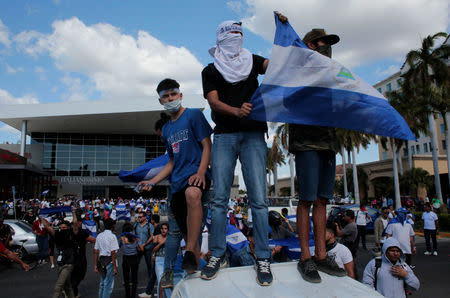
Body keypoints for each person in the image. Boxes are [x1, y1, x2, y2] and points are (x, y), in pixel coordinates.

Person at [200, 16, 281, 286]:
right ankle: (217, 254)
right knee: (220, 200)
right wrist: (236, 110)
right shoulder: (210, 70)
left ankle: (263, 258)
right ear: (221, 37)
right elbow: (213, 102)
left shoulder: (252, 60)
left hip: (254, 135)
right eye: (231, 32)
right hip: (223, 136)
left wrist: (284, 37)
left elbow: (276, 66)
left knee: (259, 200)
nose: (237, 36)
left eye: (240, 32)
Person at [288, 27, 347, 283]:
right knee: (306, 200)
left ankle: (322, 255)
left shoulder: (334, 71)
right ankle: (305, 258)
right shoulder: (295, 71)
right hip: (306, 143)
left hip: (328, 142)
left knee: (323, 200)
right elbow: (288, 101)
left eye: (328, 43)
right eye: (321, 42)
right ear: (310, 45)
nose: (326, 46)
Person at [139, 79, 212, 280]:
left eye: (173, 94)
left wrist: (201, 171)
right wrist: (153, 181)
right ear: (161, 100)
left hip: (196, 178)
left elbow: (207, 144)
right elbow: (171, 161)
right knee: (189, 237)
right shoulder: (167, 130)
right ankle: (193, 273)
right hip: (177, 184)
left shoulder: (194, 115)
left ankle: (188, 249)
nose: (170, 98)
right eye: (165, 96)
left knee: (193, 193)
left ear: (180, 95)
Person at [44, 207, 78, 298]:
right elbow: (47, 227)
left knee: (58, 285)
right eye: (60, 227)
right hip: (60, 263)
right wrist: (41, 215)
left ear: (68, 227)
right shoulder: (57, 234)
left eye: (64, 227)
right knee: (67, 286)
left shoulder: (71, 233)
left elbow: (75, 223)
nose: (62, 229)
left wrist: (73, 212)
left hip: (68, 264)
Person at [71, 215, 96, 297]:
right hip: (79, 257)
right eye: (80, 222)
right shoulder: (82, 232)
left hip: (71, 257)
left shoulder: (70, 232)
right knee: (81, 273)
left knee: (74, 274)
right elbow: (93, 240)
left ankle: (73, 290)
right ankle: (72, 289)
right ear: (79, 223)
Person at [94, 218, 119, 298]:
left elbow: (96, 251)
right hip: (109, 261)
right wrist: (115, 267)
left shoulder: (99, 236)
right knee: (108, 284)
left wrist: (95, 265)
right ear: (112, 226)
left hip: (101, 261)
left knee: (102, 283)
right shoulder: (112, 236)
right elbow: (113, 252)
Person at [120, 223, 139, 298]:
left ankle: (127, 295)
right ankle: (133, 295)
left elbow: (119, 245)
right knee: (134, 278)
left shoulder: (122, 238)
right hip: (134, 257)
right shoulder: (135, 238)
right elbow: (138, 246)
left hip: (126, 258)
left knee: (126, 278)